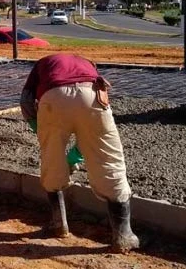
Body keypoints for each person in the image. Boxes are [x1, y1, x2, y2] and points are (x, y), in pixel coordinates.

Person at [20, 54, 139, 252]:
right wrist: (77, 154)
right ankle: (123, 236)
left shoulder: (42, 64)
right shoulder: (88, 65)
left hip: (52, 99)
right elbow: (91, 134)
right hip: (92, 96)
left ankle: (59, 225)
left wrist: (40, 129)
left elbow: (26, 100)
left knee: (52, 162)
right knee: (109, 160)